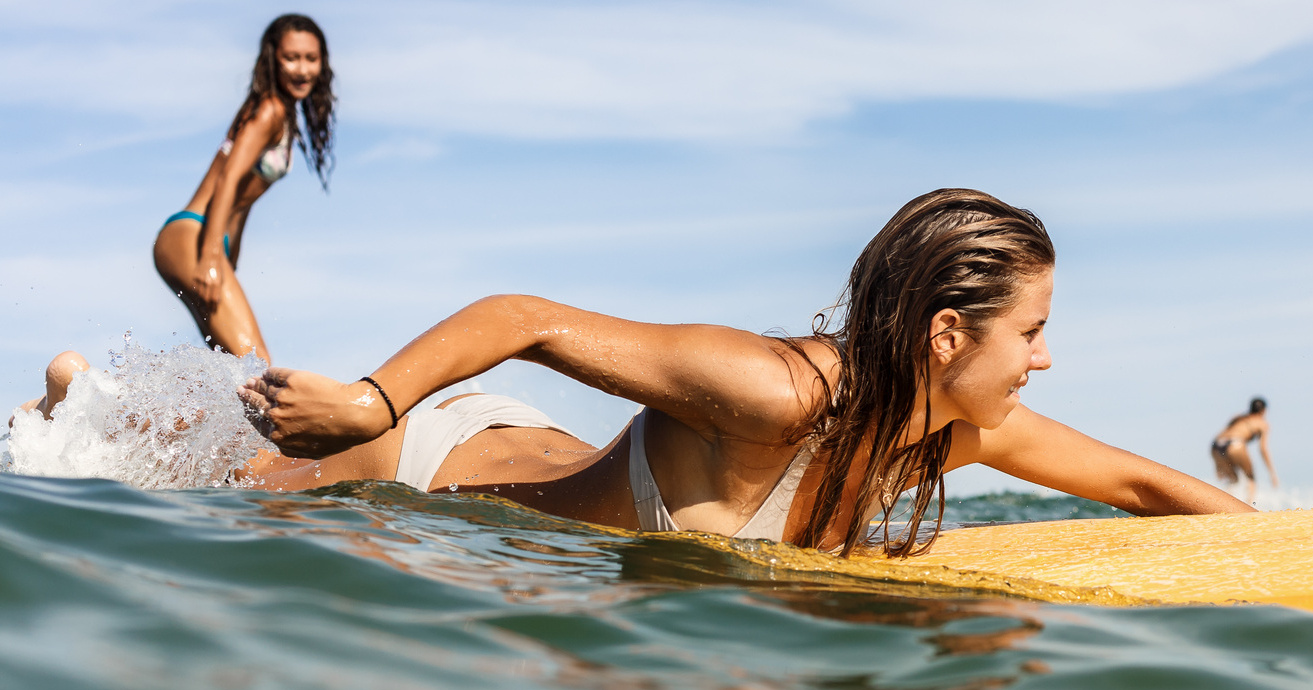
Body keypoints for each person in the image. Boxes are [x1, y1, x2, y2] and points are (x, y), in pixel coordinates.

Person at [234, 189, 1255, 556]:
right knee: (187, 479)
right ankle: (69, 398)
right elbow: (527, 319)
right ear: (948, 336)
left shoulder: (948, 432)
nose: (1044, 355)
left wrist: (1295, 565)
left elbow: (1141, 483)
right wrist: (371, 400)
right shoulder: (776, 393)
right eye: (1031, 330)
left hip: (531, 465)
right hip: (419, 463)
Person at [151, 14, 336, 363]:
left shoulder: (281, 113)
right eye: (291, 57)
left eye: (311, 59)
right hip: (193, 235)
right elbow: (228, 180)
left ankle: (142, 413)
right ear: (273, 58)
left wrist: (227, 254)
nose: (302, 69)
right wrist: (209, 256)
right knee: (258, 367)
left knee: (234, 373)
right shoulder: (270, 110)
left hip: (209, 240)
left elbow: (244, 201)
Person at [1209, 397, 1279, 505]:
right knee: (1251, 478)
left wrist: (1217, 465)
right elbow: (1263, 449)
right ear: (1263, 411)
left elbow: (1223, 434)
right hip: (1235, 444)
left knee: (1233, 480)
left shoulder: (1238, 417)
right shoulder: (1262, 424)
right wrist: (1272, 473)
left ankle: (1219, 504)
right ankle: (1250, 507)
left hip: (1216, 446)